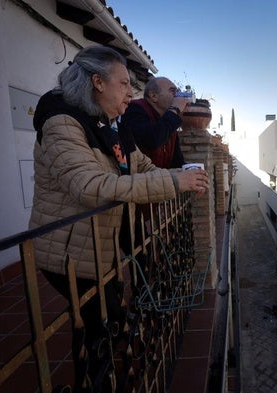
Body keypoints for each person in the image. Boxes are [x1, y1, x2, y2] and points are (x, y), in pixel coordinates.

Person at [29, 46, 209, 375]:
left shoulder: (112, 125)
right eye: (125, 84)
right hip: (67, 252)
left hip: (98, 245)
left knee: (104, 325)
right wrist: (173, 183)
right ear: (98, 82)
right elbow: (90, 187)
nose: (131, 92)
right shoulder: (62, 124)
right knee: (100, 328)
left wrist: (181, 179)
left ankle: (107, 374)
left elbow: (141, 165)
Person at [122, 77, 190, 168]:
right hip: (139, 179)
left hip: (161, 180)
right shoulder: (134, 109)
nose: (177, 96)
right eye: (172, 91)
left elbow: (177, 162)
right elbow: (150, 140)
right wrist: (175, 109)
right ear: (153, 96)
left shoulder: (170, 121)